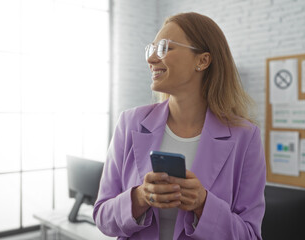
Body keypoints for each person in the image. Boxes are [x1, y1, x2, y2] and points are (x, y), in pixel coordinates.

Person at [93, 12, 266, 240]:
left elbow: (250, 236)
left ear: (202, 60)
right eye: (151, 49)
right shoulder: (130, 123)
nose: (151, 59)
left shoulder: (245, 137)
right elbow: (103, 217)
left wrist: (203, 204)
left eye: (164, 48)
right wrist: (140, 197)